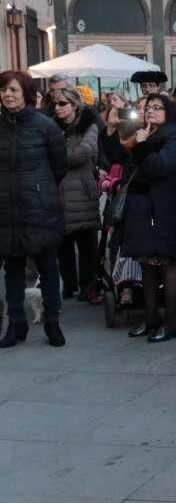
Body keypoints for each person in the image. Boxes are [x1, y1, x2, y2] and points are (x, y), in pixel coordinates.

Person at [105, 94, 176, 343]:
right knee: (146, 265)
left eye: (157, 107)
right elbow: (118, 158)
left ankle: (171, 322)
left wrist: (140, 146)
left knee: (166, 262)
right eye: (148, 107)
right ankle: (151, 319)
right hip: (140, 209)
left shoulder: (175, 139)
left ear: (169, 112)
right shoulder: (146, 134)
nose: (150, 111)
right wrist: (111, 129)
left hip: (161, 209)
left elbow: (157, 168)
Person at [0, 70, 67, 348]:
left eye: (14, 90)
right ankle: (16, 325)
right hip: (6, 209)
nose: (8, 95)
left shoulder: (45, 126)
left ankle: (52, 323)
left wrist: (39, 189)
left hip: (40, 208)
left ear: (26, 93)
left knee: (47, 268)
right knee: (12, 270)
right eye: (4, 90)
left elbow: (59, 167)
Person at [49, 87, 101, 301]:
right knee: (62, 242)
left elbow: (83, 153)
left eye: (62, 103)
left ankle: (88, 285)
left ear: (74, 105)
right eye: (55, 104)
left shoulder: (89, 125)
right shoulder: (50, 126)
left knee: (87, 242)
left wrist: (55, 155)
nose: (57, 108)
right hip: (58, 190)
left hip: (81, 190)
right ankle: (68, 284)